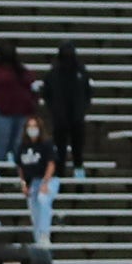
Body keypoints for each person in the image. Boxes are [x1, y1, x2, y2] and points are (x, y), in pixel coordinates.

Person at [42, 42, 91, 179]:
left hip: (77, 118)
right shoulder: (53, 74)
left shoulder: (81, 72)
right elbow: (47, 94)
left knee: (78, 150)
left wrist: (81, 109)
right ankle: (60, 177)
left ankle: (79, 177)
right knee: (60, 150)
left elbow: (88, 92)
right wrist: (55, 111)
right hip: (60, 119)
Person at [0, 43, 35, 166]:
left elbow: (32, 88)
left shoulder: (22, 71)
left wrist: (30, 106)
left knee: (18, 143)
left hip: (21, 112)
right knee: (2, 142)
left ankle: (19, 172)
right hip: (2, 113)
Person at [17, 114, 59, 246]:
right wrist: (24, 184)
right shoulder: (22, 146)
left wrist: (45, 183)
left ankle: (44, 234)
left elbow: (51, 164)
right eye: (29, 126)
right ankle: (38, 241)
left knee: (43, 199)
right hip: (32, 181)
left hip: (49, 179)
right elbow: (20, 167)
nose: (32, 129)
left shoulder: (46, 144)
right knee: (34, 211)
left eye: (34, 126)